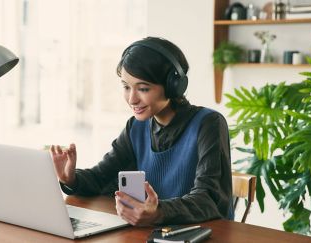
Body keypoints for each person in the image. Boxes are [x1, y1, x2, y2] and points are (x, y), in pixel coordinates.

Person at [50, 36, 233, 226]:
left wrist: (159, 212)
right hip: (150, 234)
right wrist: (71, 179)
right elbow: (101, 177)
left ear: (174, 86)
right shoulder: (136, 127)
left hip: (202, 235)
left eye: (143, 89)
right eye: (126, 87)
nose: (132, 99)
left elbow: (210, 198)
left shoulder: (208, 124)